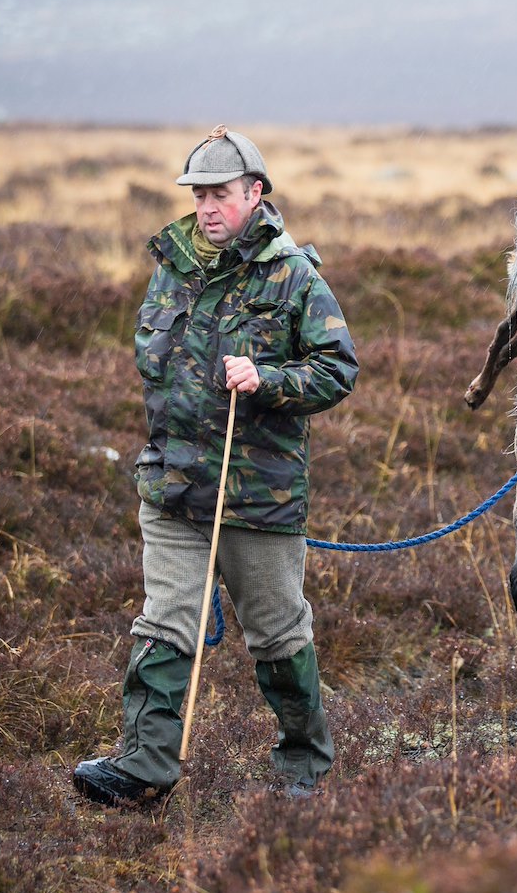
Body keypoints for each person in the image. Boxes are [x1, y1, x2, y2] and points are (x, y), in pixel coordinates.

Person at [73, 125, 358, 806]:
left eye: (220, 194)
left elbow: (338, 369)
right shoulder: (171, 267)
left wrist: (266, 378)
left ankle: (304, 765)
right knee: (164, 622)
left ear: (255, 193)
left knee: (278, 632)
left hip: (256, 494)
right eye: (199, 194)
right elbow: (154, 362)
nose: (207, 207)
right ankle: (144, 768)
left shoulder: (293, 275)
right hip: (173, 488)